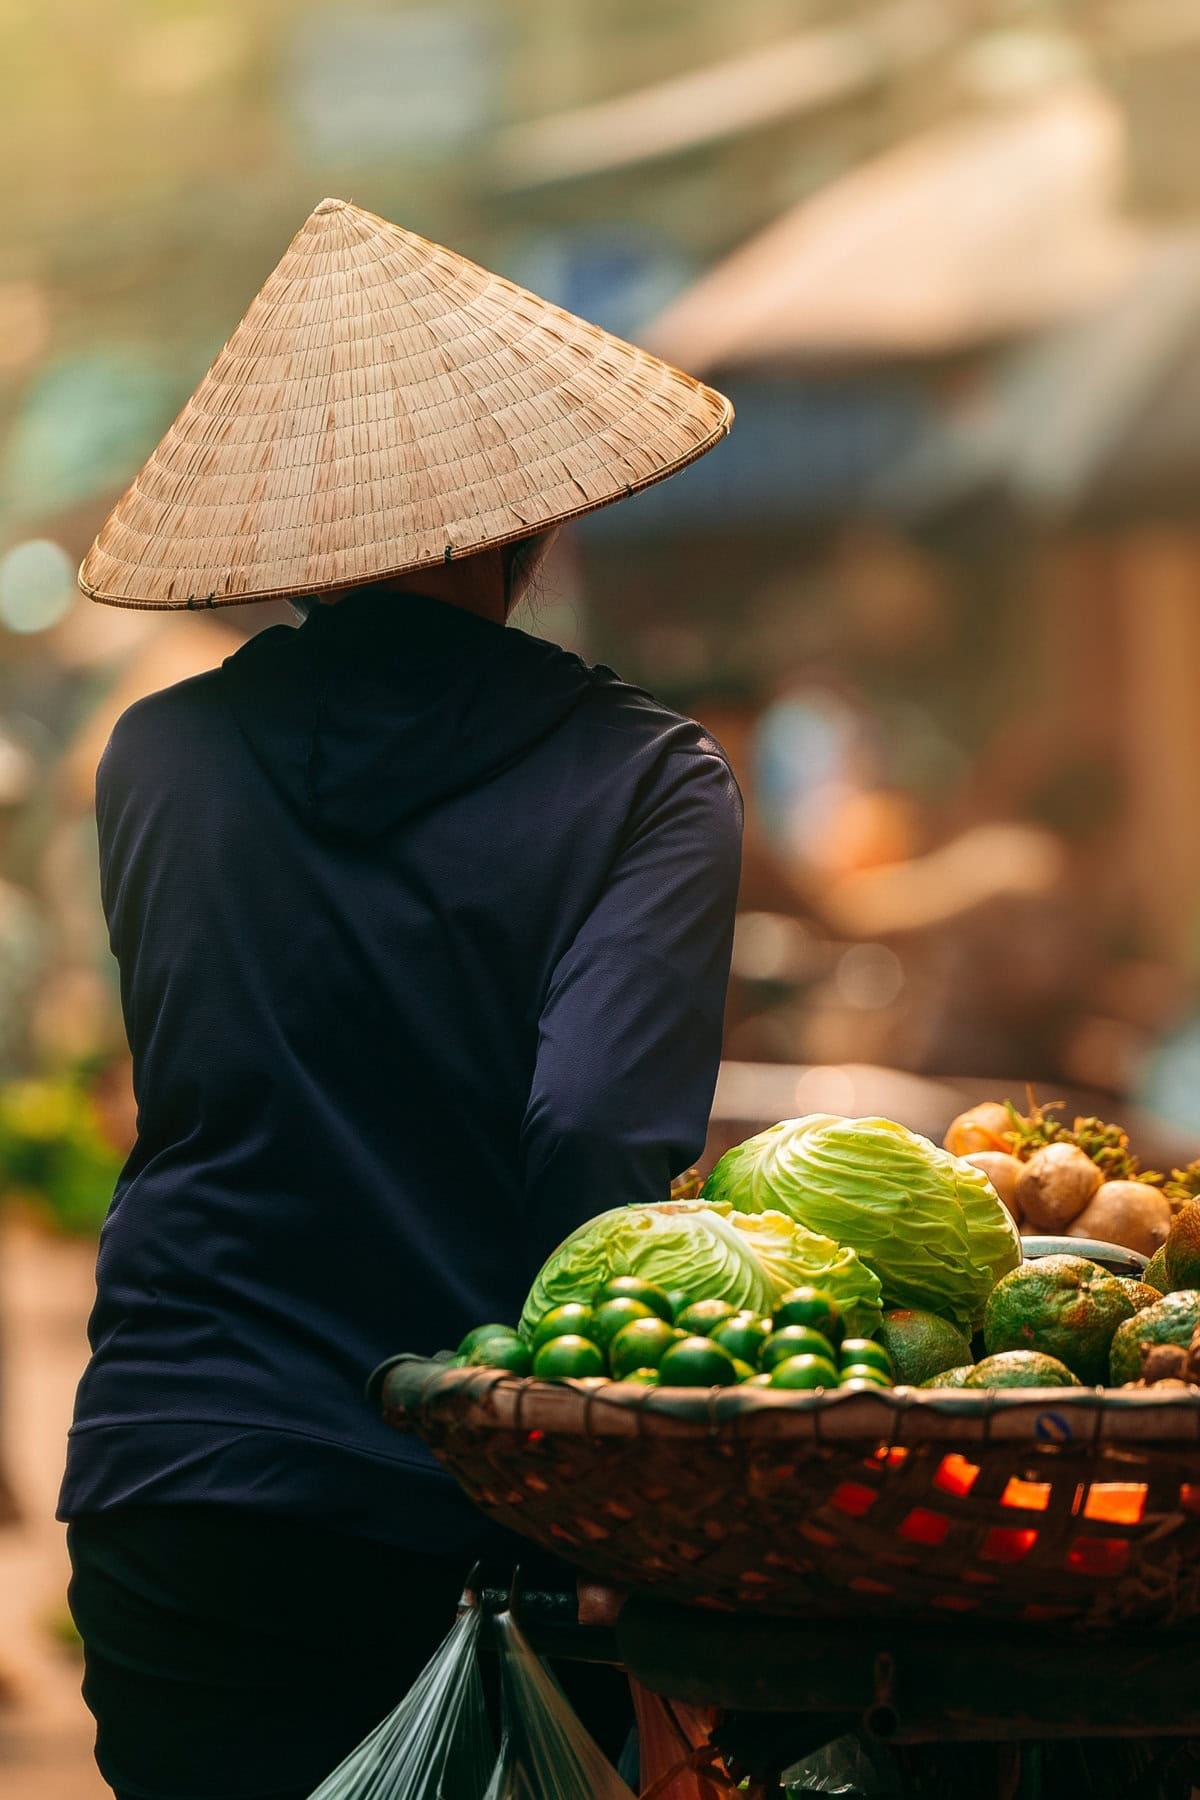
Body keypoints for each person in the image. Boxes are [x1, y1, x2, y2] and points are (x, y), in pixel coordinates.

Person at [59, 198, 741, 1799]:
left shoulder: (159, 759)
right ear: (538, 524)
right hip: (474, 1508)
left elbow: (215, 1085)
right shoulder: (647, 778)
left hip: (176, 1481)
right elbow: (590, 1137)